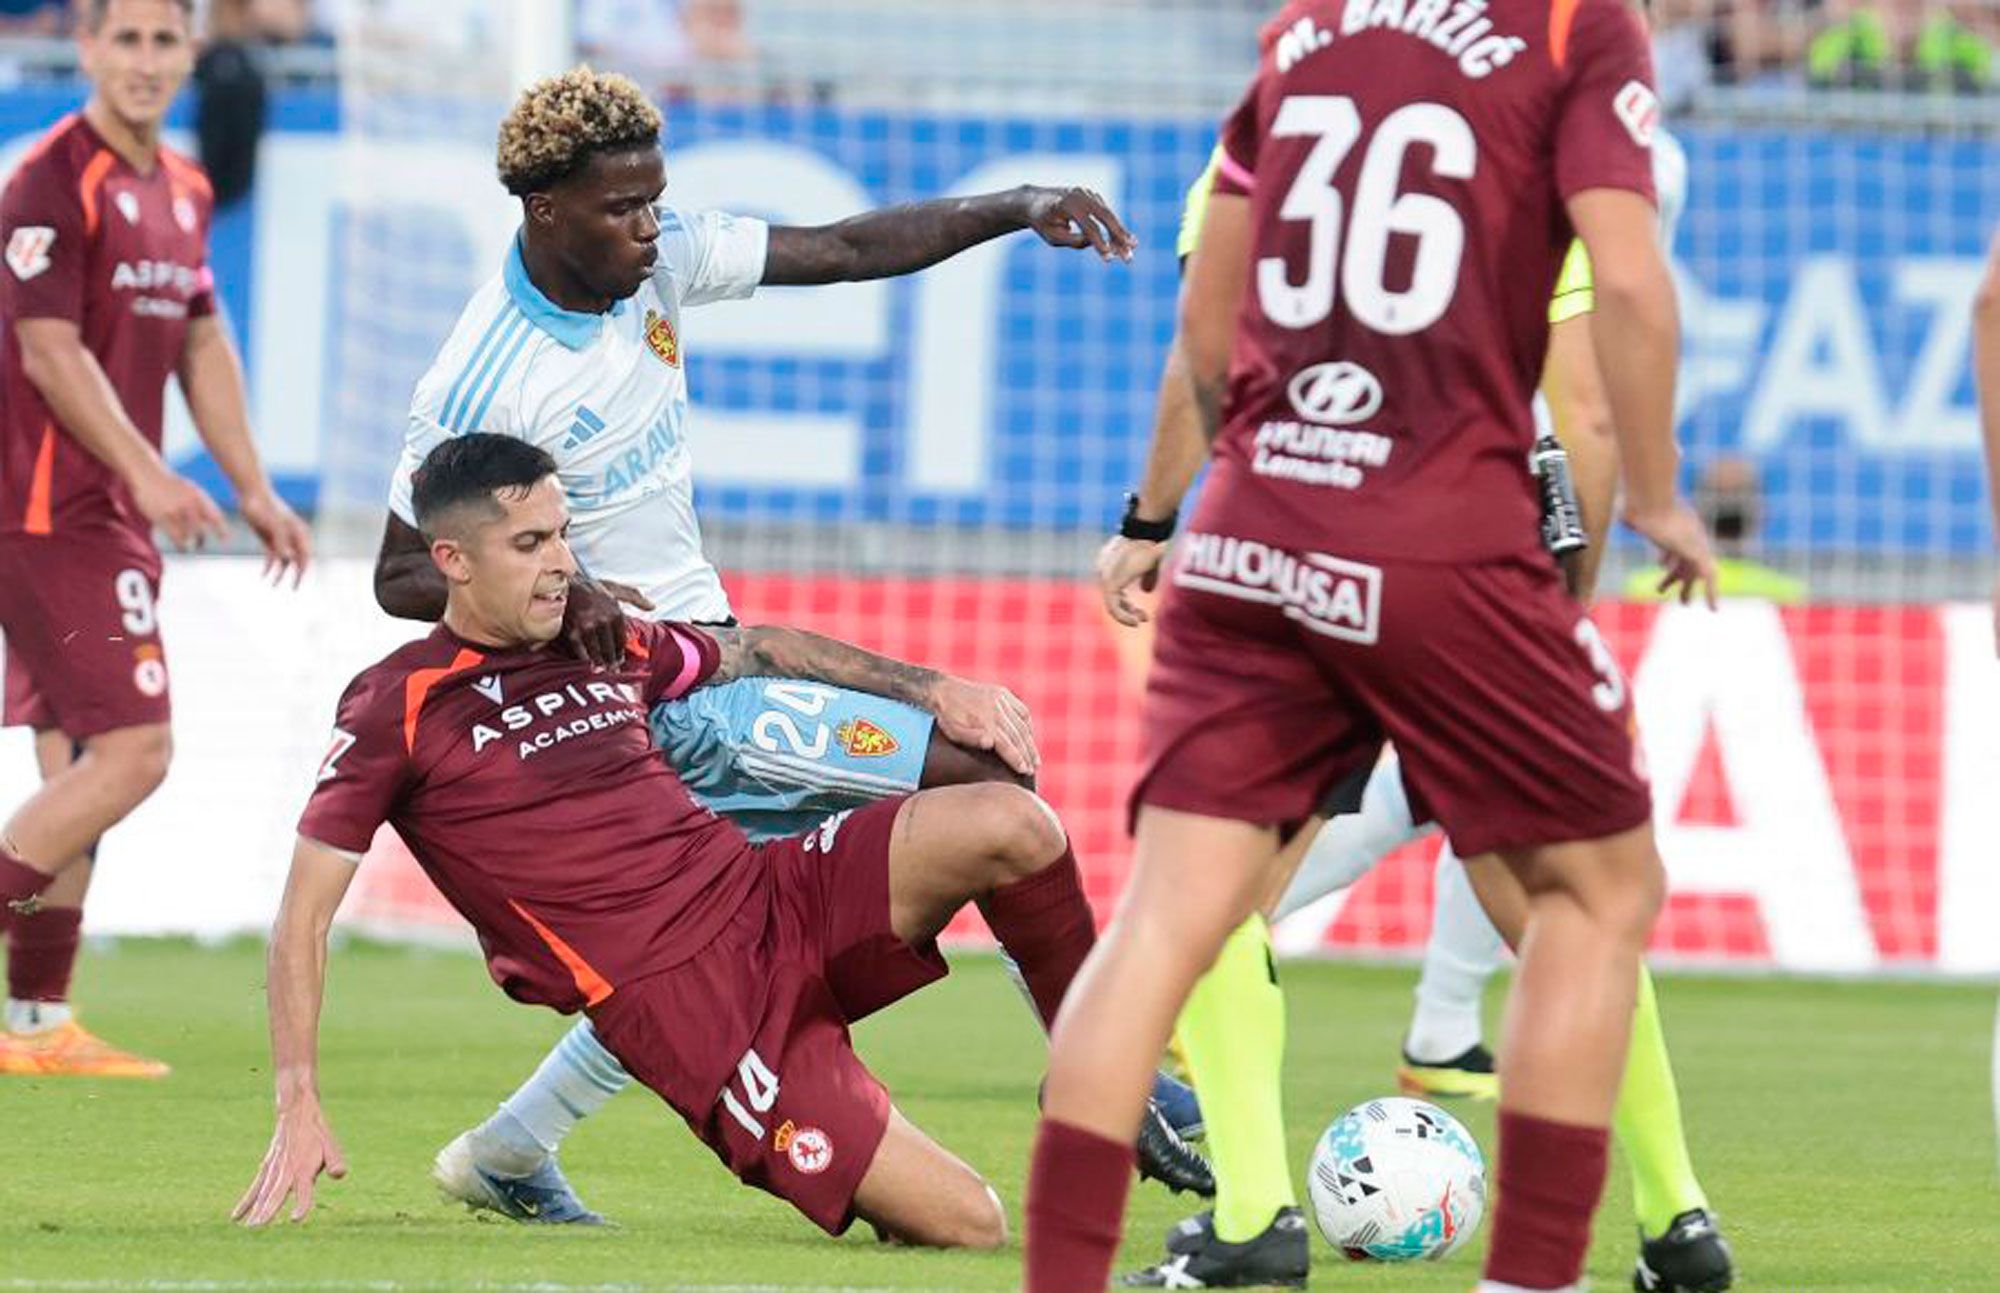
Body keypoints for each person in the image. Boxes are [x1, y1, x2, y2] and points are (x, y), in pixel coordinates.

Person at [367, 67, 1207, 1223]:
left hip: (710, 653)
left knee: (700, 958)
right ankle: (1103, 1068)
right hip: (650, 697)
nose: (649, 228)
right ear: (545, 208)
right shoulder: (483, 374)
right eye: (623, 209)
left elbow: (850, 249)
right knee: (974, 773)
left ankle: (512, 1148)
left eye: (656, 201)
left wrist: (1012, 204)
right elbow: (401, 573)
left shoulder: (653, 266)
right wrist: (580, 597)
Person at [1023, 2, 1720, 1290]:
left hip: (1256, 532)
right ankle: (1654, 1226)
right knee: (1587, 896)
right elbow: (1606, 333)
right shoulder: (1565, 35)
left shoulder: (1303, 36)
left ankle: (1211, 1227)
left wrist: (1160, 516)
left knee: (1174, 916)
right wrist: (1653, 507)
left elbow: (1205, 340)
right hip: (1449, 545)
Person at [228, 433, 1104, 1242]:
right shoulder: (398, 704)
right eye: (530, 544)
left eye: (562, 535)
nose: (563, 564)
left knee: (1012, 819)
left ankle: (1093, 1074)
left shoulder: (602, 645)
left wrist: (933, 686)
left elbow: (754, 649)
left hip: (773, 890)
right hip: (693, 1008)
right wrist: (296, 1095)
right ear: (452, 561)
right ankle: (838, 1145)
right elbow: (301, 918)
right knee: (972, 1223)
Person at [0, 0, 310, 1079]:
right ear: (84, 49)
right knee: (136, 753)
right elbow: (46, 350)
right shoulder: (49, 176)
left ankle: (35, 1027)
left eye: (160, 40)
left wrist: (255, 486)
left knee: (74, 766)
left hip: (101, 513)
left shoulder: (182, 189)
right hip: (48, 511)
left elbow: (201, 339)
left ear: (190, 53)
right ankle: (33, 1013)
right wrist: (146, 468)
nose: (141, 60)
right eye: (121, 39)